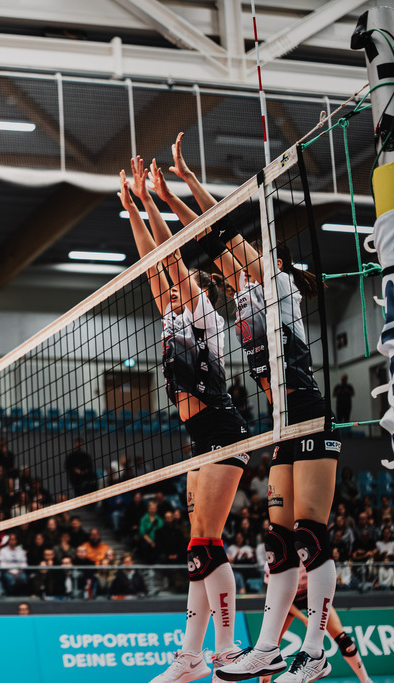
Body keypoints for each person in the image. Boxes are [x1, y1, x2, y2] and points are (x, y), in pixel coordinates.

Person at [153, 134, 340, 683]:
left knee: (309, 533)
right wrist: (165, 197)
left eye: (250, 261)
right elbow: (210, 243)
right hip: (282, 422)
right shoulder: (244, 297)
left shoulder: (280, 288)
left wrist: (186, 180)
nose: (241, 268)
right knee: (279, 541)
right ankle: (267, 649)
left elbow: (223, 231)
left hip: (309, 412)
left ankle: (315, 650)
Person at [120, 156, 249, 683]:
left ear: (195, 290)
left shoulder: (202, 317)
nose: (169, 288)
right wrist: (131, 207)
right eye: (169, 288)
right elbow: (153, 262)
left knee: (206, 541)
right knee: (197, 544)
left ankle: (223, 651)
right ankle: (191, 656)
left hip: (223, 431)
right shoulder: (170, 312)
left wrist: (153, 200)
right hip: (199, 440)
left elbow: (169, 256)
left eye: (178, 285)